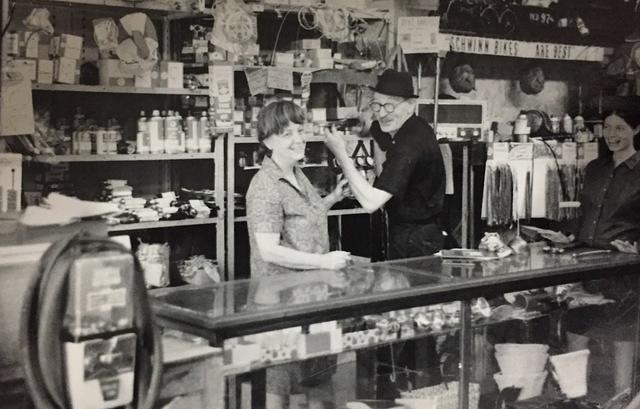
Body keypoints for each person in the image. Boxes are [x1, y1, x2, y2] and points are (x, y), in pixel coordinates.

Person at [545, 109, 640, 394]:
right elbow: (587, 213)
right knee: (577, 332)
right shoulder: (595, 169)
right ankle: (575, 399)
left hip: (622, 268)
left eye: (620, 128)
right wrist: (568, 233)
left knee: (622, 339)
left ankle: (623, 399)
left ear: (636, 130)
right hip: (587, 263)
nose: (612, 134)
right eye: (608, 127)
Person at [324, 69, 446, 260]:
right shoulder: (415, 126)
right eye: (377, 105)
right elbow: (381, 131)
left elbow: (371, 203)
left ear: (410, 105)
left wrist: (341, 155)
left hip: (415, 241)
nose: (382, 113)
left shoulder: (410, 145)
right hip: (417, 233)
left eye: (390, 106)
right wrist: (367, 120)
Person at [246, 100, 352, 277]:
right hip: (281, 292)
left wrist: (334, 197)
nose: (299, 139)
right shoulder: (265, 185)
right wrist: (325, 261)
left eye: (300, 131)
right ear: (268, 142)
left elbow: (305, 214)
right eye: (287, 134)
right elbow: (268, 250)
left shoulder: (296, 173)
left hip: (309, 284)